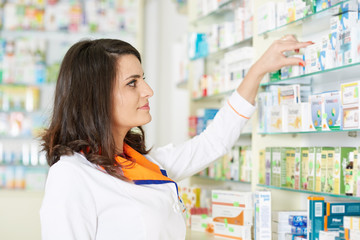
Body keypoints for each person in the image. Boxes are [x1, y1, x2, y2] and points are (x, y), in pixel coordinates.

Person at [40, 36, 313, 240]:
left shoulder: (142, 164)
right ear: (96, 97)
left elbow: (212, 143)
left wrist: (257, 71)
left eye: (142, 79)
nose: (148, 90)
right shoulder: (71, 175)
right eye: (132, 83)